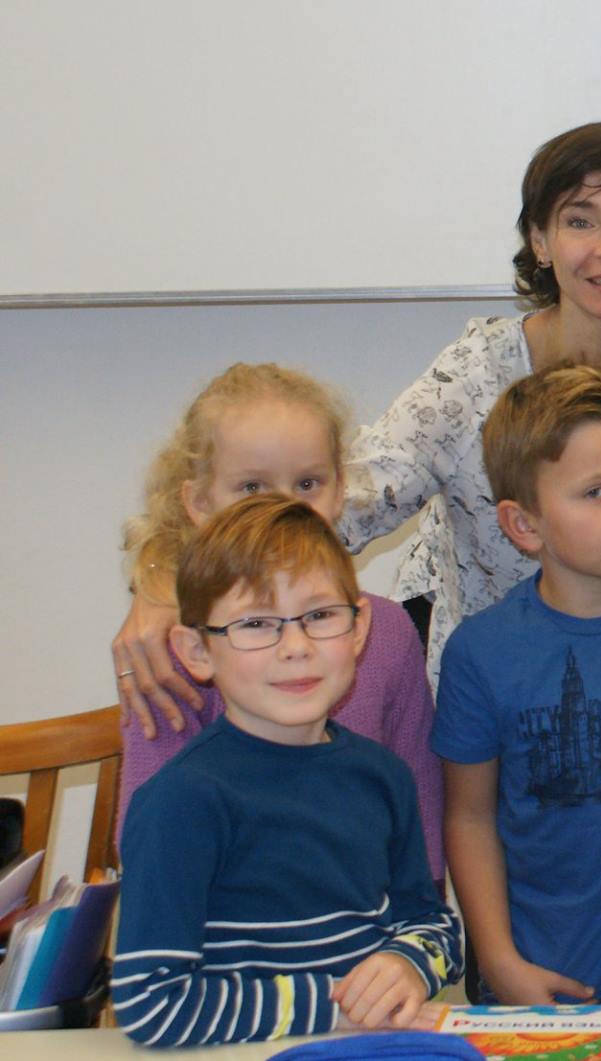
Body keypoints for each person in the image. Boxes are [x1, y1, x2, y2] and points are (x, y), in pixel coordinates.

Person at [111, 121, 601, 713]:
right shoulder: (474, 376)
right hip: (476, 704)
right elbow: (330, 504)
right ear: (541, 241)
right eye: (580, 220)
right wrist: (165, 580)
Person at [113, 496, 460, 1046]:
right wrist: (333, 1009)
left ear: (359, 627)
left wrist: (408, 964)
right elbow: (150, 1002)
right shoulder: (180, 802)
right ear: (196, 650)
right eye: (255, 623)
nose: (296, 647)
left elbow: (433, 926)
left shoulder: (384, 778)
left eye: (319, 616)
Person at [114, 363, 441, 876]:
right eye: (252, 487)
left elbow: (422, 830)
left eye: (308, 483)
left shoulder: (390, 632)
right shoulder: (176, 648)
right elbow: (152, 849)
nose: (285, 508)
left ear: (340, 491)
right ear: (200, 503)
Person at [432, 364, 601, 1006]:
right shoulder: (482, 652)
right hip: (546, 982)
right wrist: (498, 959)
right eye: (595, 492)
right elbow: (468, 816)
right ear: (525, 526)